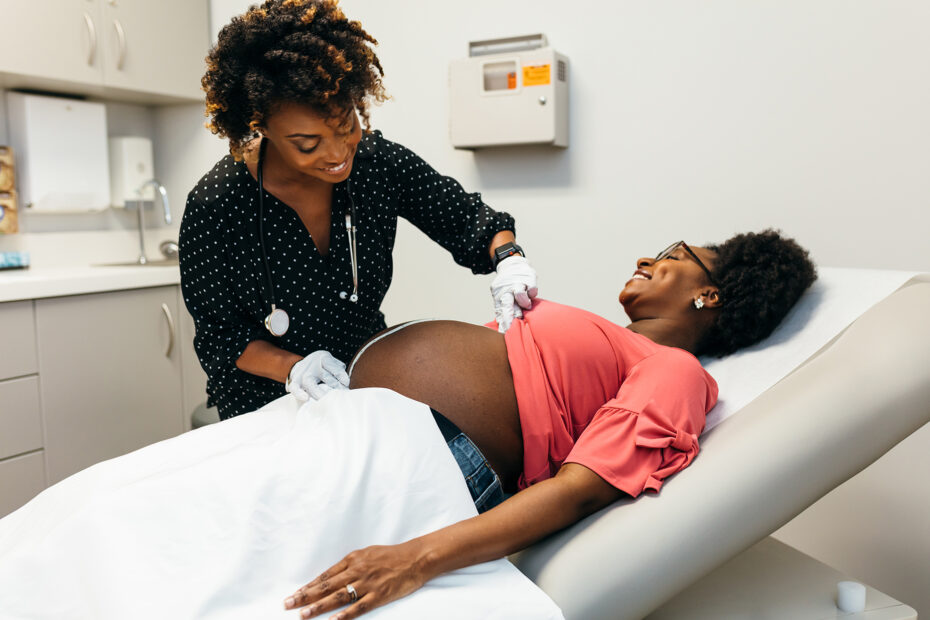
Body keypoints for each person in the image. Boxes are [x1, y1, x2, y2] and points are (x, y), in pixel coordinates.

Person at [282, 229, 817, 619]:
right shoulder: (614, 340)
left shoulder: (675, 371)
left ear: (711, 294)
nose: (645, 256)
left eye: (673, 253)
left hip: (428, 462)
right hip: (351, 425)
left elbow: (578, 491)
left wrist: (415, 560)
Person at [180, 0, 538, 420]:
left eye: (346, 125)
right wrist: (295, 367)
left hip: (364, 378)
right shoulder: (218, 205)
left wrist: (509, 260)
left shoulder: (375, 165)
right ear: (260, 127)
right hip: (266, 400)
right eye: (307, 144)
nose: (337, 155)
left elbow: (470, 220)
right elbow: (222, 338)